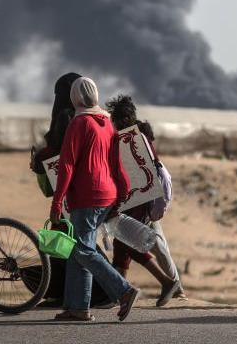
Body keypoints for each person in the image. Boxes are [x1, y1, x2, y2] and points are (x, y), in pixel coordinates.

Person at [49, 77, 141, 322]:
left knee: (82, 249)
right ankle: (78, 307)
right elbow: (116, 164)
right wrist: (121, 195)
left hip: (87, 196)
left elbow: (67, 165)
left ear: (75, 97)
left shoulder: (78, 123)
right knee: (78, 251)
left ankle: (123, 290)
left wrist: (57, 202)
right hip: (107, 194)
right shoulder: (107, 124)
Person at [105, 94, 184, 306]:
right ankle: (119, 293)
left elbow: (145, 169)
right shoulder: (133, 134)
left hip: (141, 200)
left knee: (132, 242)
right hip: (133, 201)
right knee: (123, 244)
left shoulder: (136, 136)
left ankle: (167, 283)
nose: (119, 121)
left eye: (121, 117)